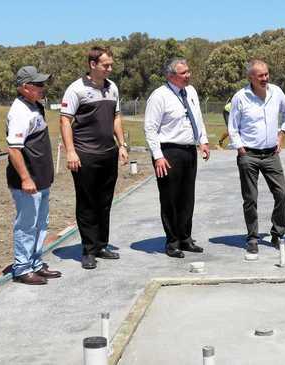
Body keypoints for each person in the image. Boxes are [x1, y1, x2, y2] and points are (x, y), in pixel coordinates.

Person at [60, 46, 129, 270]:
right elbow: (64, 121)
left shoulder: (113, 88)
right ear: (92, 65)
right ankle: (88, 249)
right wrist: (70, 151)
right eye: (105, 65)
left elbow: (116, 117)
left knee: (105, 201)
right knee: (87, 202)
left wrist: (122, 145)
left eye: (111, 64)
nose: (110, 68)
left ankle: (101, 244)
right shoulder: (76, 89)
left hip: (108, 153)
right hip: (85, 155)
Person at [144, 58, 210, 258]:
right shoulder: (159, 96)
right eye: (184, 73)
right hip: (168, 152)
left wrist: (203, 141)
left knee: (187, 197)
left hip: (189, 150)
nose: (188, 75)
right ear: (171, 76)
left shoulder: (191, 92)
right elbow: (150, 128)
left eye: (188, 71)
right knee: (170, 198)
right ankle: (172, 241)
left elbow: (197, 117)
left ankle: (185, 237)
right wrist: (158, 156)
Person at [228, 60, 285, 253]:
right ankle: (253, 238)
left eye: (266, 74)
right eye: (260, 76)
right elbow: (232, 126)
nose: (265, 78)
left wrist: (282, 133)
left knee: (282, 194)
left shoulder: (276, 92)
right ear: (251, 78)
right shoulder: (240, 97)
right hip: (249, 154)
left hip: (272, 154)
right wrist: (241, 149)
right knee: (251, 198)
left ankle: (277, 234)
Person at [6, 66, 61, 284]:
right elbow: (14, 149)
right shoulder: (19, 111)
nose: (42, 88)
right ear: (25, 87)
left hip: (41, 179)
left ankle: (35, 263)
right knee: (27, 225)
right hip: (27, 182)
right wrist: (26, 178)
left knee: (41, 223)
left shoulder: (35, 106)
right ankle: (22, 268)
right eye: (38, 85)